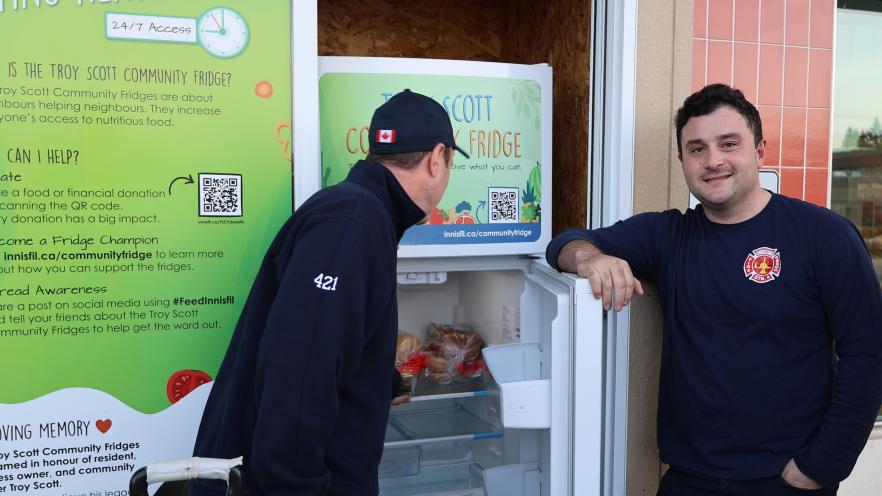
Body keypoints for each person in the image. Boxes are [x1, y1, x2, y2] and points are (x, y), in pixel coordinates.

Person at [546, 83, 882, 495]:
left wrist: (822, 465)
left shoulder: (823, 235)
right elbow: (564, 244)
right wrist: (588, 259)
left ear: (759, 151)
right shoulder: (668, 236)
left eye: (728, 143)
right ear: (684, 160)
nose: (713, 160)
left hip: (785, 480)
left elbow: (868, 354)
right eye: (697, 148)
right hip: (690, 478)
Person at [189, 89, 469, 495]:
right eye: (450, 163)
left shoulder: (358, 213)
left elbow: (320, 340)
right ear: (437, 158)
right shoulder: (353, 221)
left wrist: (381, 382)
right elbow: (298, 375)